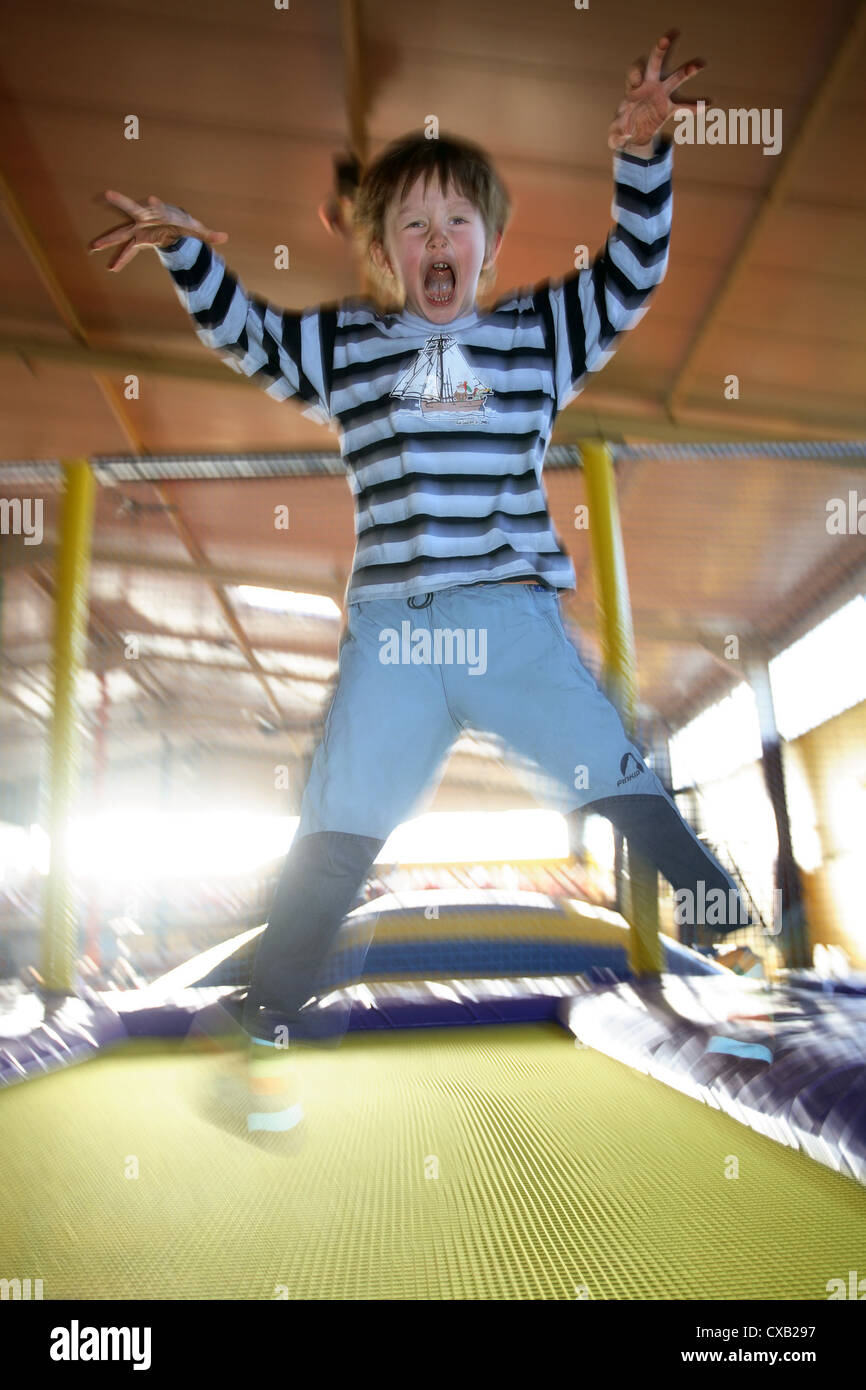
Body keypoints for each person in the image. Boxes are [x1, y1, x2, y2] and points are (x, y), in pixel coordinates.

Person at [89, 29, 745, 1138]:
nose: (435, 238)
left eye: (456, 222)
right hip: (394, 635)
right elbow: (252, 340)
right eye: (411, 226)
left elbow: (632, 272)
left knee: (602, 760)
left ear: (486, 248)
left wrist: (643, 158)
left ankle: (717, 901)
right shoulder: (349, 344)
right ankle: (266, 1019)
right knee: (338, 817)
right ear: (387, 255)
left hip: (505, 617)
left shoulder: (539, 329)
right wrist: (190, 256)